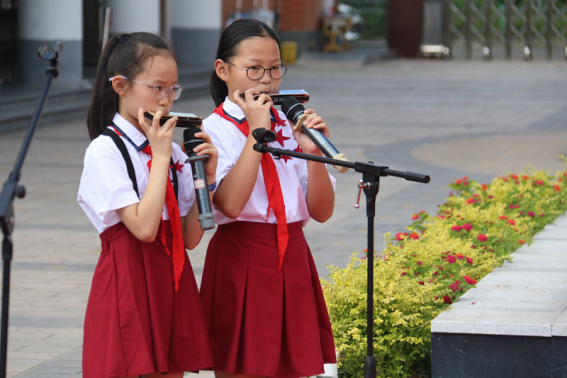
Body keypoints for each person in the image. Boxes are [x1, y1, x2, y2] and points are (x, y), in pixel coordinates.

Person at [200, 18, 337, 378]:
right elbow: (229, 203)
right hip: (242, 257)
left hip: (293, 254)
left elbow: (321, 211)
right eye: (254, 69)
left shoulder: (290, 123)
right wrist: (256, 134)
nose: (266, 80)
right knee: (243, 367)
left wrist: (315, 153)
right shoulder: (212, 129)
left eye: (275, 69)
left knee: (293, 369)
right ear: (223, 70)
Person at [77, 32, 216, 378]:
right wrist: (162, 156)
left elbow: (191, 237)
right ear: (121, 85)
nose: (167, 99)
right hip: (129, 277)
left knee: (171, 370)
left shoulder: (170, 150)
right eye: (157, 87)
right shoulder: (106, 151)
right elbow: (142, 227)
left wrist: (206, 177)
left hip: (171, 274)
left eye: (174, 88)